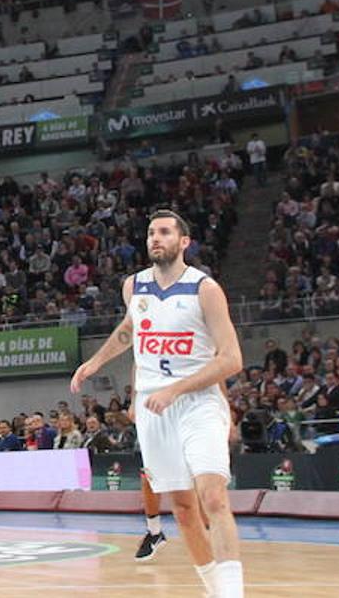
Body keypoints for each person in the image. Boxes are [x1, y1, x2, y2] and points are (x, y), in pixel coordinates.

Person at [71, 209, 245, 598]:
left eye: (165, 232)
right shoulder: (134, 286)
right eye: (151, 232)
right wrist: (95, 362)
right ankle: (214, 590)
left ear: (184, 242)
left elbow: (231, 359)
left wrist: (177, 389)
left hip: (198, 401)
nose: (156, 238)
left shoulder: (205, 289)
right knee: (182, 509)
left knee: (213, 497)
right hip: (153, 408)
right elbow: (132, 330)